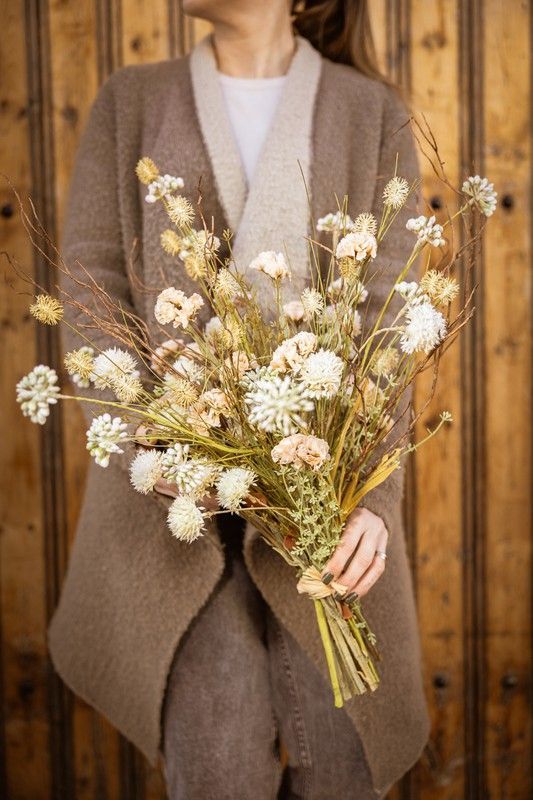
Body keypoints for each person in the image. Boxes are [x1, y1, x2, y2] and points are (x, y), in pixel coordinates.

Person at [47, 0, 431, 796]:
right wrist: (156, 450)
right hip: (174, 519)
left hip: (327, 514)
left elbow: (388, 327)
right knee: (215, 770)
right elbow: (90, 292)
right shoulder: (132, 100)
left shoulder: (371, 114)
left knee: (343, 769)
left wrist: (373, 503)